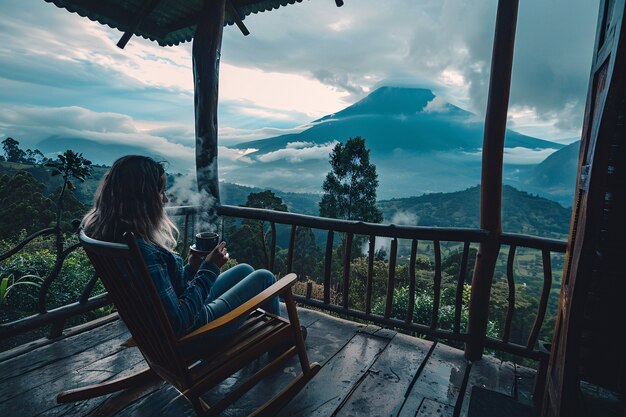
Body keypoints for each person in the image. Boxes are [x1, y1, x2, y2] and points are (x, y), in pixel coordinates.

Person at [81, 155, 281, 342]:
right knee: (265, 277)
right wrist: (209, 269)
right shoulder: (144, 253)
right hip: (194, 334)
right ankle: (280, 340)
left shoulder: (113, 239)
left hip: (160, 331)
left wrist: (193, 267)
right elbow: (179, 320)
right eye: (161, 192)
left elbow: (167, 294)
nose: (165, 199)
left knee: (244, 269)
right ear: (143, 199)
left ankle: (262, 329)